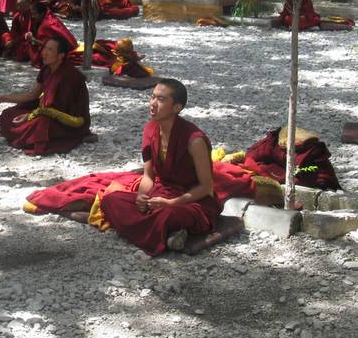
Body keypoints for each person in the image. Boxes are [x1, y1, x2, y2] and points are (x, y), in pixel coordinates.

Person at [33, 79, 220, 256]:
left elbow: (206, 187)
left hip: (191, 201)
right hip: (160, 194)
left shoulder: (194, 140)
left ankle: (152, 228)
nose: (153, 103)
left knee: (168, 214)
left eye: (161, 99)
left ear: (177, 107)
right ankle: (164, 234)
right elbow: (148, 176)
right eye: (153, 96)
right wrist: (141, 196)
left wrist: (172, 202)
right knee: (111, 200)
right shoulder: (150, 129)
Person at [0, 37, 91, 156]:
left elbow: (57, 110)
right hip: (46, 112)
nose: (44, 53)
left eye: (50, 50)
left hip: (67, 121)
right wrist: (3, 98)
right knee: (7, 115)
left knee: (38, 125)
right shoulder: (47, 69)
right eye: (44, 49)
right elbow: (33, 95)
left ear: (61, 55)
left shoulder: (70, 76)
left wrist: (30, 116)